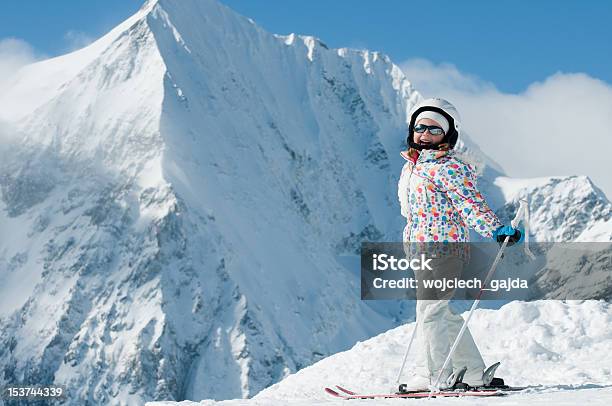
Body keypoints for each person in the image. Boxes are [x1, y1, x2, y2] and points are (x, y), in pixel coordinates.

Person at [397, 98, 523, 391]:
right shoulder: (412, 168)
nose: (425, 134)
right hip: (420, 249)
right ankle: (472, 373)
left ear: (448, 135)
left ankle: (432, 375)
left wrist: (495, 229)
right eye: (420, 127)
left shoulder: (449, 168)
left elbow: (471, 204)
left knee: (429, 311)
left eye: (434, 129)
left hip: (445, 248)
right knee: (440, 312)